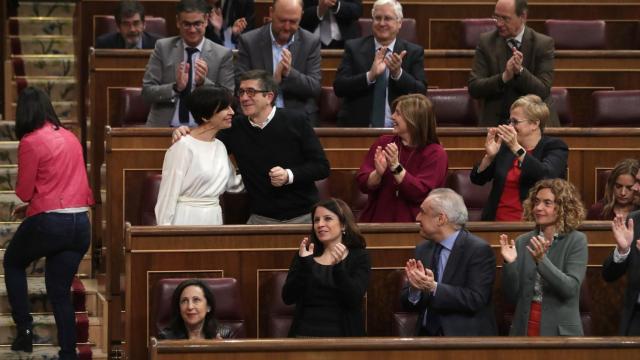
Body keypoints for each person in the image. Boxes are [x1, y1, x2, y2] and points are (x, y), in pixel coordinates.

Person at [3, 87, 94, 359]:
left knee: (13, 261)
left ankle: (25, 331)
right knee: (58, 291)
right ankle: (68, 353)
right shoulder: (70, 136)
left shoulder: (31, 141)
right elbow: (65, 185)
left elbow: (23, 191)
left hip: (51, 223)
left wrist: (32, 204)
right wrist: (33, 207)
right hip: (80, 224)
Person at [174, 70, 330, 224]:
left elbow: (321, 167)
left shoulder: (296, 120)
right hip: (261, 217)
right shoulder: (233, 127)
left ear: (269, 97)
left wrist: (288, 175)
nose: (244, 98)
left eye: (251, 92)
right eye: (241, 92)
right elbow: (205, 145)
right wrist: (185, 132)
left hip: (303, 215)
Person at [401, 188, 497, 336]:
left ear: (441, 219)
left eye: (423, 212)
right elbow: (408, 304)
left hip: (463, 340)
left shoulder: (478, 250)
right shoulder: (422, 249)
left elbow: (476, 299)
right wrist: (415, 289)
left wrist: (434, 288)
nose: (417, 217)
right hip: (425, 338)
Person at [499, 178, 588, 336]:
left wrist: (542, 261)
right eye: (536, 202)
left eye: (547, 203)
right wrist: (510, 263)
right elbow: (512, 296)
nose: (538, 208)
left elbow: (570, 289)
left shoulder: (576, 240)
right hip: (524, 327)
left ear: (563, 208)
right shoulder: (522, 241)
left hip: (560, 332)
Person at [470, 94, 568, 221]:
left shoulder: (555, 147)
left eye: (515, 122)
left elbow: (547, 175)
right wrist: (489, 157)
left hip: (532, 226)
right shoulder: (506, 149)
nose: (510, 126)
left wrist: (516, 148)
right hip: (495, 223)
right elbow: (477, 179)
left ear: (534, 124)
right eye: (509, 121)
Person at [155, 85, 243, 225]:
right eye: (225, 108)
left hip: (214, 217)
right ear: (205, 115)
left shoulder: (220, 146)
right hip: (186, 218)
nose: (232, 112)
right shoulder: (183, 146)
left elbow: (233, 184)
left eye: (231, 107)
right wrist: (165, 233)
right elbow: (168, 194)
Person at [282, 198, 370, 337]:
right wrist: (305, 266)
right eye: (316, 220)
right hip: (304, 336)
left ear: (343, 225)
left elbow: (353, 299)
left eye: (327, 218)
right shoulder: (306, 254)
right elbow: (288, 297)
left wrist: (339, 268)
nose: (320, 224)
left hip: (345, 338)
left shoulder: (359, 256)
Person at [333, 0, 426, 127]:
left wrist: (398, 74)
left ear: (399, 23)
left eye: (387, 18)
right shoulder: (353, 48)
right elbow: (339, 87)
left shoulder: (413, 52)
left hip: (399, 130)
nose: (382, 23)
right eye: (377, 18)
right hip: (358, 129)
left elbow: (421, 93)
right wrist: (369, 76)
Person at [142, 0, 235, 127]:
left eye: (197, 24)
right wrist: (176, 87)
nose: (192, 30)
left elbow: (229, 98)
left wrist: (204, 83)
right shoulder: (162, 47)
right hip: (164, 128)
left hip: (204, 130)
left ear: (206, 20)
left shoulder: (222, 54)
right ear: (178, 22)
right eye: (186, 24)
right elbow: (147, 92)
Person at [356, 94, 447, 222]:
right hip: (377, 222)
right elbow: (362, 182)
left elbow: (421, 192)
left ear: (413, 119)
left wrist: (395, 167)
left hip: (415, 226)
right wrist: (377, 174)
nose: (392, 117)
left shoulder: (435, 153)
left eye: (398, 113)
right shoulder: (384, 143)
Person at [468, 0, 558, 127]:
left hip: (535, 124)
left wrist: (520, 71)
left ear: (523, 17)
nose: (499, 23)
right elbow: (474, 88)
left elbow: (542, 90)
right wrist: (504, 77)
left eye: (505, 18)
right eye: (496, 17)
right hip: (497, 122)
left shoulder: (542, 44)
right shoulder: (486, 42)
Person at [235, 0, 321, 124]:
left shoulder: (310, 42)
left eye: (293, 22)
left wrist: (289, 73)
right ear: (271, 13)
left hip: (298, 119)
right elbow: (240, 83)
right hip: (257, 116)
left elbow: (314, 88)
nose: (287, 27)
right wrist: (273, 81)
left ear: (301, 15)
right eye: (282, 20)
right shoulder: (249, 41)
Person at [602, 162, 640, 335]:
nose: (636, 188)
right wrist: (623, 251)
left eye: (639, 182)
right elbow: (608, 274)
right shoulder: (634, 220)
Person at [158, 279, 233, 339]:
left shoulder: (224, 335)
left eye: (196, 300)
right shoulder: (166, 338)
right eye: (184, 301)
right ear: (179, 307)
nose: (190, 307)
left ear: (208, 307)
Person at [95, 0, 160, 49]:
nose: (132, 29)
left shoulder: (159, 45)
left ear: (144, 24)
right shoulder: (104, 45)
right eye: (126, 24)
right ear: (118, 27)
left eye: (136, 23)